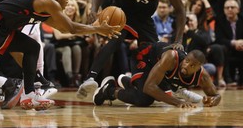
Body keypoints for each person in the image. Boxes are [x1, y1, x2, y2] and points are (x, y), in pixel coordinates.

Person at [76, 0, 186, 99]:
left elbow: (180, 9)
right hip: (123, 15)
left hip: (144, 20)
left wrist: (178, 40)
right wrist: (93, 10)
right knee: (115, 41)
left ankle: (164, 86)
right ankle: (90, 79)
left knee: (153, 53)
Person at [93, 43, 221, 108]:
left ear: (200, 68)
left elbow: (216, 95)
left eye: (192, 66)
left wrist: (212, 101)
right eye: (186, 61)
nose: (186, 66)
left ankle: (125, 81)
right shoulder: (172, 58)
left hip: (157, 67)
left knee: (162, 95)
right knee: (145, 99)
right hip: (143, 58)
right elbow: (149, 87)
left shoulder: (203, 76)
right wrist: (177, 102)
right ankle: (109, 90)